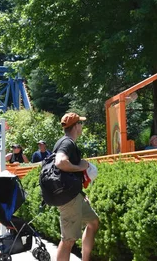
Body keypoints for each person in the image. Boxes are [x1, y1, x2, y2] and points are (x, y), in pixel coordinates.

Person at [55, 112, 99, 261]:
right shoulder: (67, 143)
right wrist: (80, 167)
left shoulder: (66, 142)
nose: (82, 126)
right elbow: (60, 162)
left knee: (93, 222)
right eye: (80, 123)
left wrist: (80, 193)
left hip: (74, 195)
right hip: (68, 198)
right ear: (75, 126)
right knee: (68, 240)